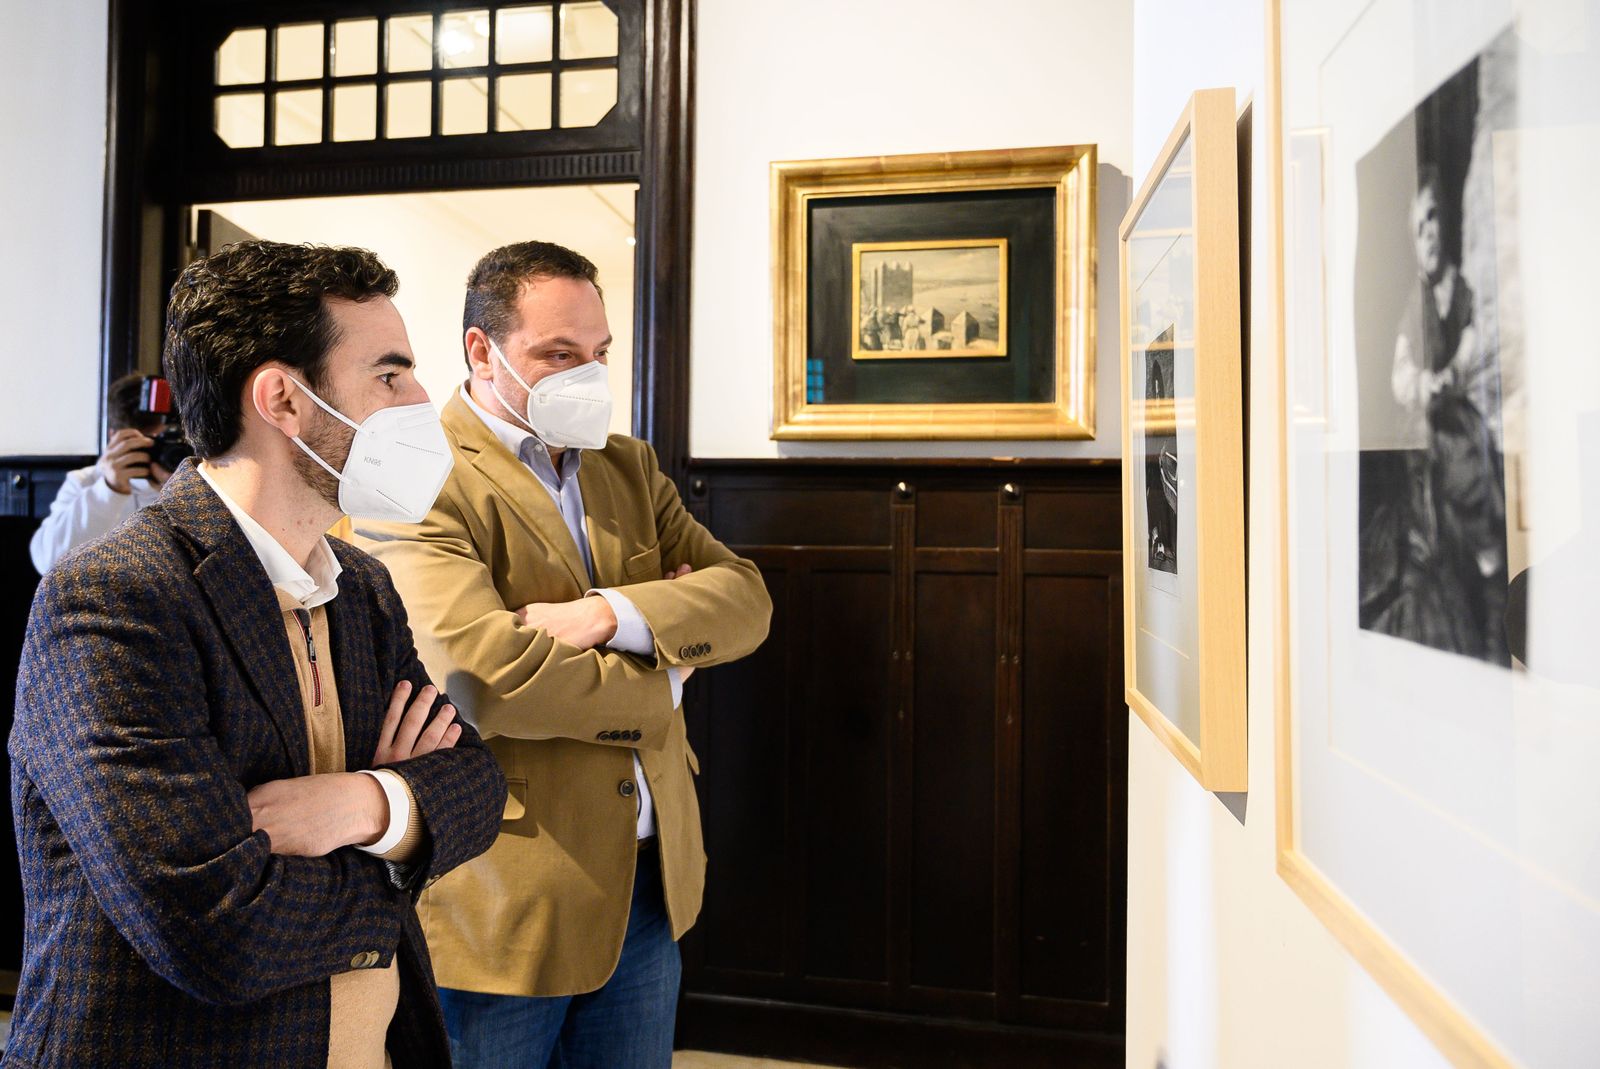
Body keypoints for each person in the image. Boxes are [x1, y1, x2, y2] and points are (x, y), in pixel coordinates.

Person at [6, 240, 506, 1069]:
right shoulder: (116, 599)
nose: (422, 398)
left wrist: (363, 806)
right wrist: (406, 850)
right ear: (282, 397)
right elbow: (218, 928)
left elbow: (476, 785)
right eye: (389, 375)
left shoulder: (363, 587)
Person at [352, 240, 772, 1068]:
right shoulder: (416, 471)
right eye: (559, 354)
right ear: (482, 351)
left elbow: (747, 600)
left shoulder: (626, 464)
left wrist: (608, 613)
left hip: (650, 883)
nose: (589, 375)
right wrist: (668, 678)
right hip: (505, 893)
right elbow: (482, 673)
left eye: (600, 354)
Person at [1363, 165, 1509, 664]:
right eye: (1417, 228)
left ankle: (1495, 617)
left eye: (1433, 220)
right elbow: (1400, 375)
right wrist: (1426, 385)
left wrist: (1455, 372)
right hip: (1429, 430)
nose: (1427, 235)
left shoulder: (1460, 289)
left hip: (1458, 426)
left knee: (1475, 477)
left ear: (1445, 225)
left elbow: (1472, 340)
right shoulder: (1416, 302)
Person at [29, 373, 175, 574]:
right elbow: (48, 562)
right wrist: (109, 490)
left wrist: (175, 491)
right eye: (143, 446)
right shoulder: (86, 482)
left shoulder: (191, 477)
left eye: (163, 444)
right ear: (114, 437)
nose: (155, 454)